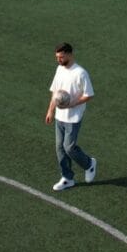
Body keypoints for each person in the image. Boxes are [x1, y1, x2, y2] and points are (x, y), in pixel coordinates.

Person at [45, 42, 96, 191]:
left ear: (69, 54)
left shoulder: (80, 73)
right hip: (59, 116)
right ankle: (67, 178)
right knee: (59, 148)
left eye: (61, 57)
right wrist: (50, 111)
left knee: (69, 147)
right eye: (57, 57)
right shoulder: (59, 69)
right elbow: (55, 92)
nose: (58, 60)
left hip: (73, 117)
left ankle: (89, 164)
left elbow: (89, 94)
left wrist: (72, 103)